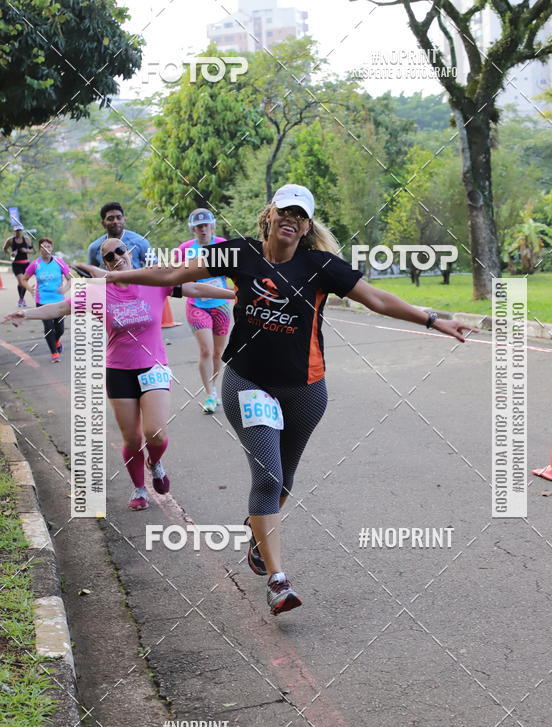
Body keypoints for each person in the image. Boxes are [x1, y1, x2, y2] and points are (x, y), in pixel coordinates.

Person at [75, 184, 476, 615]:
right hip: (249, 383)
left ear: (306, 226)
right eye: (285, 211)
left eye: (300, 216)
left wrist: (434, 320)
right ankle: (278, 580)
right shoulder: (239, 254)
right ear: (269, 215)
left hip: (305, 391)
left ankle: (256, 533)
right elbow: (174, 275)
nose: (292, 219)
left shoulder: (321, 265)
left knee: (283, 483)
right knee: (267, 478)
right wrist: (113, 276)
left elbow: (377, 299)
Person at [4, 238, 234, 511]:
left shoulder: (153, 280)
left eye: (119, 251)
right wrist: (26, 313)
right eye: (109, 256)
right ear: (105, 265)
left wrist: (233, 294)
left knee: (155, 434)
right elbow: (61, 308)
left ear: (130, 252)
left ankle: (155, 462)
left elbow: (193, 286)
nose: (116, 257)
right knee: (132, 439)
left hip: (153, 367)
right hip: (119, 371)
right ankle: (139, 488)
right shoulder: (97, 291)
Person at [175, 209, 231, 414]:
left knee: (218, 352)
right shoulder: (185, 249)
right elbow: (175, 274)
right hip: (197, 305)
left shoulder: (223, 244)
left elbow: (234, 269)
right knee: (206, 350)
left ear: (212, 226)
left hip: (221, 305)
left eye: (206, 226)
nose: (203, 230)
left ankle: (213, 387)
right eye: (199, 227)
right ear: (193, 229)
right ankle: (208, 394)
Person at [20, 238, 72, 362]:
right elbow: (23, 279)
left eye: (48, 246)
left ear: (52, 248)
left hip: (59, 301)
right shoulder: (35, 264)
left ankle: (57, 341)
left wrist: (64, 289)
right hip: (42, 301)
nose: (46, 249)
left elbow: (70, 278)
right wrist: (29, 289)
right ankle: (54, 353)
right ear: (39, 249)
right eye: (43, 247)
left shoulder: (59, 262)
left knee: (59, 329)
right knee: (49, 328)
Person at [87, 202, 154, 270]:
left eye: (119, 218)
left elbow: (155, 268)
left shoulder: (140, 241)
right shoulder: (94, 248)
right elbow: (90, 275)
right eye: (110, 219)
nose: (115, 221)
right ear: (103, 224)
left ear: (124, 220)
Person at [3, 225, 34, 307]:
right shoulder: (10, 240)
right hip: (16, 263)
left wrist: (26, 250)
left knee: (24, 282)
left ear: (22, 231)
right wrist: (11, 253)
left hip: (26, 264)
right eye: (17, 230)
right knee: (21, 281)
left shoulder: (27, 240)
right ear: (14, 231)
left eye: (20, 230)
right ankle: (21, 299)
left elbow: (33, 250)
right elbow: (4, 249)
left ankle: (21, 299)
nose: (18, 232)